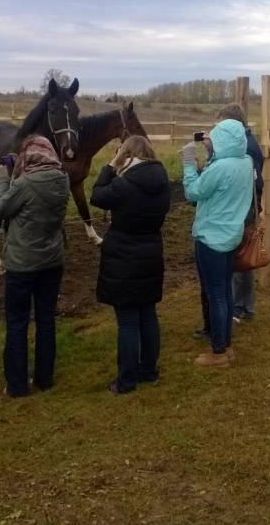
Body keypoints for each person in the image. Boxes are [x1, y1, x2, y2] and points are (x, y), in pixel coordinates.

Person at [90, 136, 171, 394]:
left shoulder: (124, 185)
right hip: (150, 253)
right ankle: (149, 370)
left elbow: (96, 196)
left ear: (127, 155)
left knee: (127, 321)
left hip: (123, 257)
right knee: (148, 315)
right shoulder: (163, 182)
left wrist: (111, 166)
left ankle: (126, 380)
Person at [0, 135, 70, 397]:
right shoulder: (63, 179)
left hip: (22, 264)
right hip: (52, 260)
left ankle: (16, 384)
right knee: (46, 320)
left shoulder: (24, 184)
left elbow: (0, 208)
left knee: (17, 322)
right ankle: (44, 378)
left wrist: (3, 176)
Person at [182, 118, 253, 367]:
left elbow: (192, 192)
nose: (210, 142)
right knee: (224, 290)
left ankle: (219, 352)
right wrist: (210, 158)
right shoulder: (246, 162)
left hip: (211, 238)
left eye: (214, 139)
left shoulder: (219, 169)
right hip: (231, 236)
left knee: (216, 296)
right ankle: (226, 345)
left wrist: (189, 164)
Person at [192, 104, 264, 335]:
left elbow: (250, 182)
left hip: (235, 215)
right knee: (238, 267)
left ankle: (236, 313)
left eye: (219, 125)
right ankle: (242, 308)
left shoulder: (247, 151)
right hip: (239, 213)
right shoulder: (244, 146)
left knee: (238, 268)